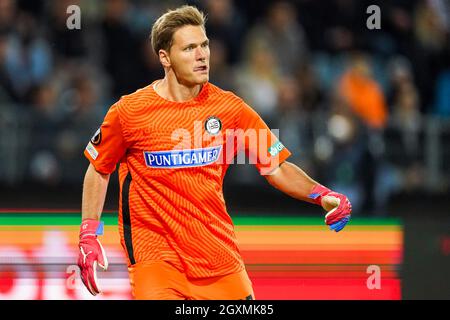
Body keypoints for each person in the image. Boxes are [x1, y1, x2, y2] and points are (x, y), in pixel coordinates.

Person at [77, 5, 352, 300]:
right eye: (190, 48)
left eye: (204, 45)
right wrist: (89, 234)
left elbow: (276, 167)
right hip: (156, 261)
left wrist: (321, 194)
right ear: (165, 58)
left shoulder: (229, 108)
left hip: (219, 259)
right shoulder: (129, 112)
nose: (202, 55)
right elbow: (99, 167)